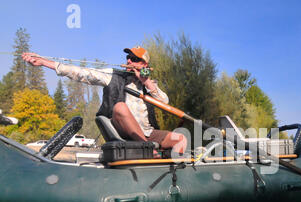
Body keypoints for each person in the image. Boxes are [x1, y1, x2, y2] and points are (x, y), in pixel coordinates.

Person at [22, 47, 187, 154]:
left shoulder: (149, 84)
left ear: (144, 64)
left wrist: (146, 82)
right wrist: (44, 62)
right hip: (122, 131)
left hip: (148, 133)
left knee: (181, 139)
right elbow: (82, 73)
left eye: (134, 59)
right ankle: (147, 150)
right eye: (128, 57)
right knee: (120, 107)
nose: (129, 61)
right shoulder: (112, 75)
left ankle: (169, 169)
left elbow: (164, 102)